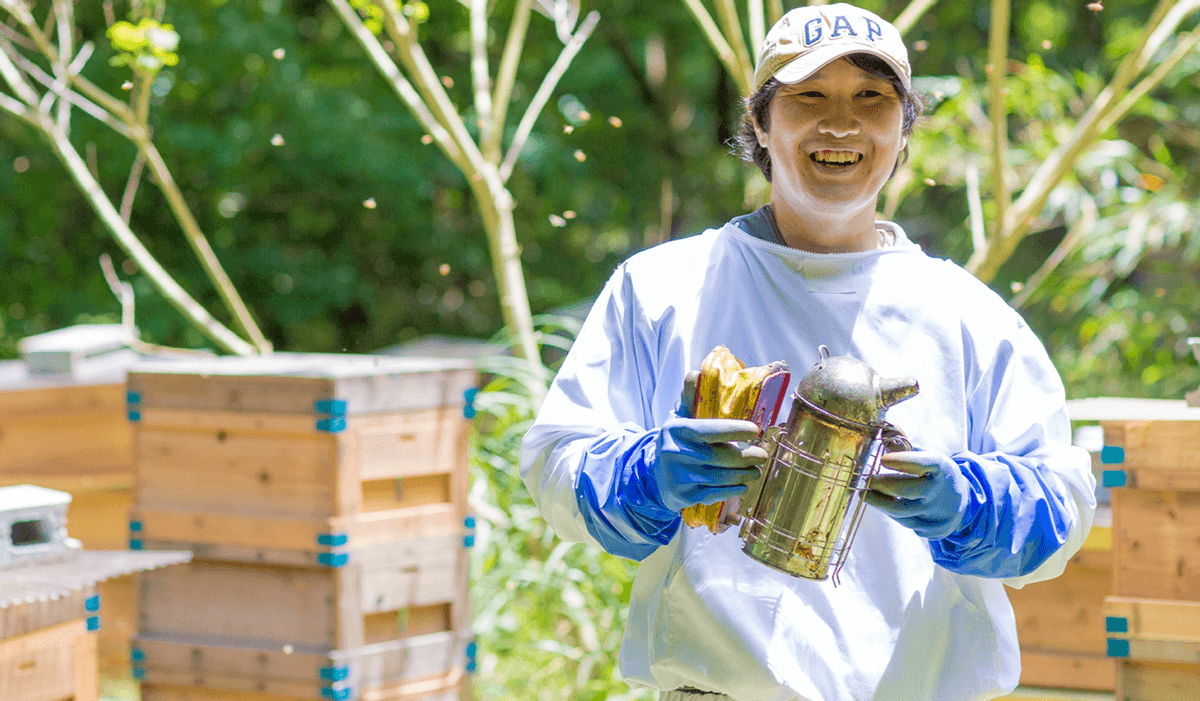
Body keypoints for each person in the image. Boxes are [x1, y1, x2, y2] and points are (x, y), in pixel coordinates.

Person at [519, 4, 1097, 700]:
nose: (841, 124)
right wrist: (646, 475)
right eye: (809, 97)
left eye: (871, 98)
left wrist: (970, 503)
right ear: (762, 122)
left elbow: (1064, 508)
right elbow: (554, 467)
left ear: (903, 125)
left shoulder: (968, 315)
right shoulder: (664, 288)